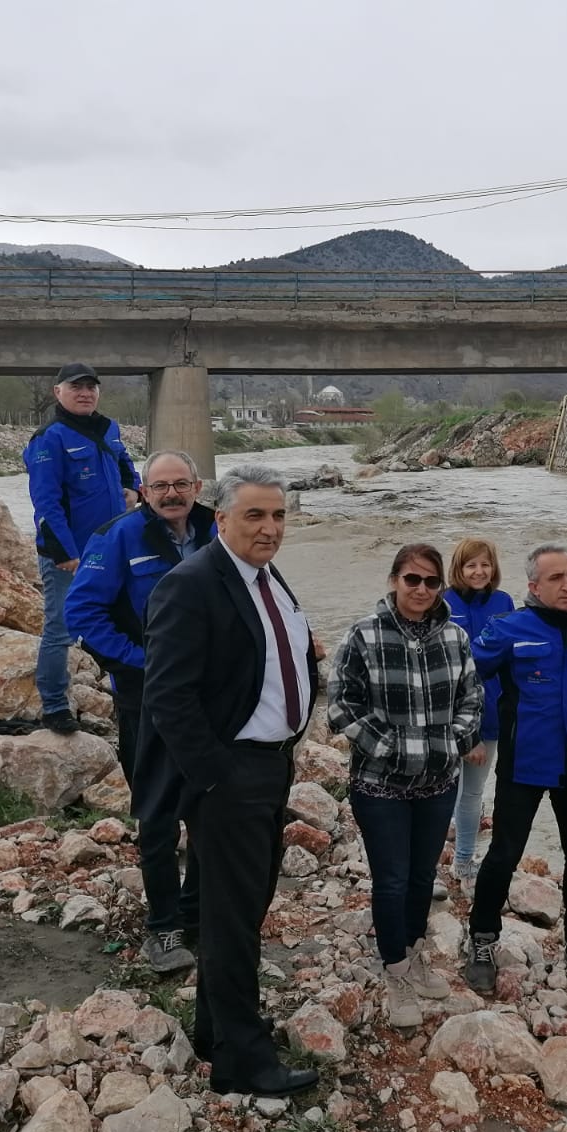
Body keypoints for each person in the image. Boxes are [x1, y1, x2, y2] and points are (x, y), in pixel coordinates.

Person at [141, 464, 320, 1097]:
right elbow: (167, 695)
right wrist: (215, 777)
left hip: (270, 766)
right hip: (231, 773)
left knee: (240, 909)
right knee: (234, 918)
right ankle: (244, 1062)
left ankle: (214, 1029)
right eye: (254, 515)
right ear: (220, 519)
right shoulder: (191, 585)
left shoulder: (267, 577)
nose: (269, 528)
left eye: (277, 516)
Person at [65, 449, 214, 975]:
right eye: (160, 486)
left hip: (209, 699)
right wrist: (145, 663)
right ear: (145, 491)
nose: (172, 494)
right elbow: (82, 612)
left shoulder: (216, 530)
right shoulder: (117, 537)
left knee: (207, 807)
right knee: (156, 815)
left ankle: (197, 914)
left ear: (196, 486)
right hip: (147, 699)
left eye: (181, 484)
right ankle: (164, 928)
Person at [463, 541, 567, 994]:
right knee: (504, 853)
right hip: (525, 761)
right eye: (556, 578)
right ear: (534, 586)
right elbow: (466, 676)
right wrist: (468, 731)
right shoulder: (508, 629)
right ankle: (481, 939)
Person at [327, 544, 482, 1028]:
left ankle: (415, 952)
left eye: (431, 582)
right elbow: (341, 707)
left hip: (438, 785)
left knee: (420, 879)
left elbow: (472, 701)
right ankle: (394, 970)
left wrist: (449, 744)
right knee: (391, 881)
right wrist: (396, 749)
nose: (421, 590)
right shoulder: (364, 635)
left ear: (441, 588)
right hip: (379, 787)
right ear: (394, 579)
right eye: (412, 579)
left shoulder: (456, 638)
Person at [23, 363, 139, 733]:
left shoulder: (108, 428)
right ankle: (55, 708)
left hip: (113, 547)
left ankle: (127, 698)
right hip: (69, 556)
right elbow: (46, 503)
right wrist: (66, 554)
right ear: (58, 392)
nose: (85, 392)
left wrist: (134, 488)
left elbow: (125, 464)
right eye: (76, 387)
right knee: (61, 630)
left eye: (91, 386)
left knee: (123, 621)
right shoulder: (49, 438)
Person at [441, 537, 515, 892]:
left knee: (471, 792)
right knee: (438, 789)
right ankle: (440, 863)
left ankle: (463, 860)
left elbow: (514, 657)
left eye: (485, 564)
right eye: (471, 565)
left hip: (491, 711)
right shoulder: (443, 601)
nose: (479, 571)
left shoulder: (504, 602)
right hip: (446, 714)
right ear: (459, 568)